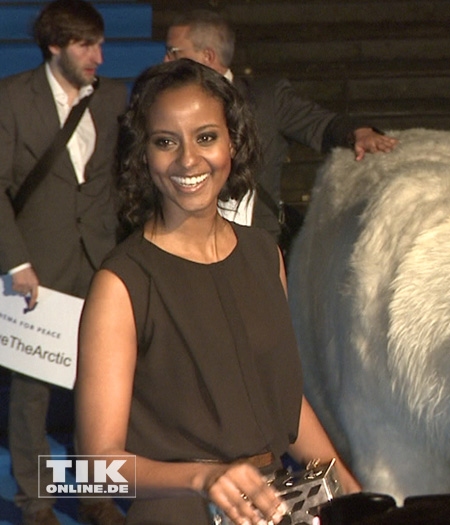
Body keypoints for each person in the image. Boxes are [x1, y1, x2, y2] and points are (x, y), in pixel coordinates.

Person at [74, 59, 361, 525]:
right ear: (142, 155)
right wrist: (200, 479)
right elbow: (89, 471)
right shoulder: (121, 283)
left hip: (278, 504)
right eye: (166, 142)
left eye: (206, 137)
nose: (189, 160)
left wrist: (345, 488)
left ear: (234, 142)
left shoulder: (265, 254)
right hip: (177, 512)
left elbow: (285, 401)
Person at [0, 1, 127, 523]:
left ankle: (96, 496)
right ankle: (36, 503)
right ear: (55, 46)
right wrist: (16, 264)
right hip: (37, 269)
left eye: (99, 44)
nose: (97, 55)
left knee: (101, 388)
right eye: (84, 45)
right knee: (31, 395)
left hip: (102, 265)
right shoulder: (12, 98)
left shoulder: (116, 97)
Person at [164, 10, 398, 237]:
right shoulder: (162, 104)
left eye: (173, 52)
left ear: (208, 56)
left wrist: (359, 133)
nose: (166, 60)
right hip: (183, 238)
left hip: (255, 243)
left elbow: (320, 124)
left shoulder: (268, 99)